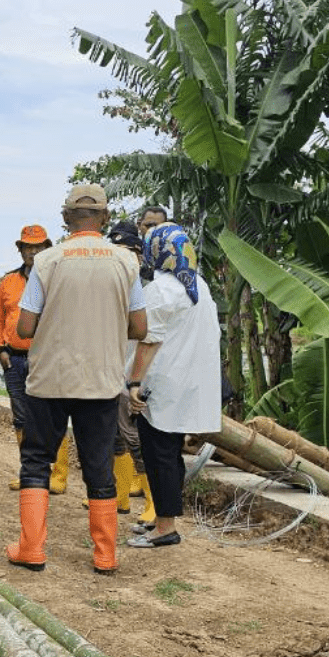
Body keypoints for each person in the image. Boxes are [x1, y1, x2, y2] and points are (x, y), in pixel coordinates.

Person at [9, 183, 147, 575]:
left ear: (66, 218)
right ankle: (105, 555)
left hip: (49, 379)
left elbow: (24, 327)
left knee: (36, 460)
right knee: (99, 464)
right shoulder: (126, 262)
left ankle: (31, 549)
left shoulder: (47, 261)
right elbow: (140, 327)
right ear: (105, 217)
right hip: (100, 380)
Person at [126, 222, 222, 547]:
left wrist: (134, 382)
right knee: (170, 454)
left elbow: (149, 340)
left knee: (159, 457)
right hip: (187, 384)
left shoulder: (162, 288)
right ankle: (161, 520)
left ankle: (165, 528)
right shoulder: (199, 286)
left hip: (162, 385)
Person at [0, 224, 71, 495]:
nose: (33, 252)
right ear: (21, 249)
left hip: (46, 359)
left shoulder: (57, 280)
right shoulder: (8, 281)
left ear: (47, 249)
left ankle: (59, 476)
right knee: (21, 417)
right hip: (14, 360)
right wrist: (0, 349)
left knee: (54, 415)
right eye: (28, 247)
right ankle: (31, 473)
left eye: (38, 247)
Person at [106, 219, 155, 527]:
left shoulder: (149, 290)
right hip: (110, 371)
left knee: (136, 439)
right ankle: (120, 496)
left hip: (136, 376)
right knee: (113, 438)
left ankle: (153, 502)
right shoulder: (110, 288)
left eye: (127, 252)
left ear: (138, 255)